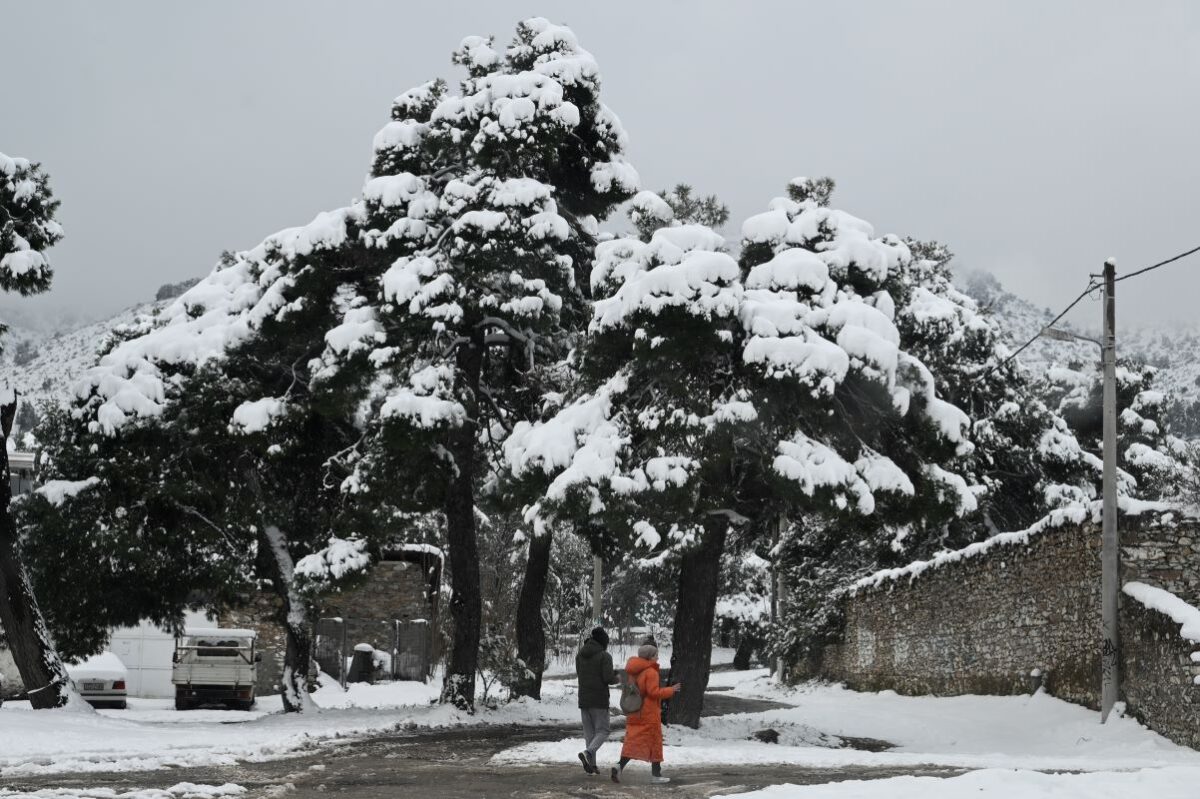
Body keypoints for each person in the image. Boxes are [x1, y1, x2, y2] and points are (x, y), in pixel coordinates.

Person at [612, 642, 681, 784]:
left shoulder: (633, 671)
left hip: (635, 711)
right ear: (649, 657)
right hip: (649, 714)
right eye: (656, 655)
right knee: (655, 743)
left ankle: (619, 765)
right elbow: (653, 693)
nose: (657, 657)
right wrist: (671, 690)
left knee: (633, 743)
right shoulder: (651, 672)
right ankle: (656, 775)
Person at [575, 626, 617, 775]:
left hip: (584, 699)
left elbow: (581, 674)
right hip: (599, 699)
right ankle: (588, 753)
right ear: (603, 642)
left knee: (590, 734)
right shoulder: (605, 656)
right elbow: (608, 678)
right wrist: (616, 676)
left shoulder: (580, 654)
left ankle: (592, 766)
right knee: (604, 730)